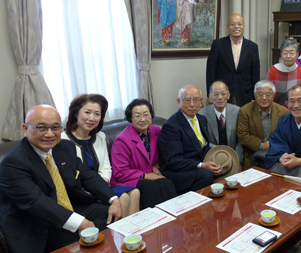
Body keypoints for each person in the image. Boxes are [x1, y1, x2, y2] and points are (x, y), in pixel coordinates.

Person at [0, 105, 122, 253]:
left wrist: (113, 199)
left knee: (108, 214)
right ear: (25, 129)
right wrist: (79, 223)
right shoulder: (12, 163)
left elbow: (87, 175)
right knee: (78, 238)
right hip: (35, 223)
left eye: (55, 127)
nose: (49, 134)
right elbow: (36, 202)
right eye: (41, 128)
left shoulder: (64, 147)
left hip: (69, 207)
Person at [61, 94, 140, 217]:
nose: (92, 118)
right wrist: (92, 190)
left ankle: (134, 232)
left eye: (97, 114)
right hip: (80, 192)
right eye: (87, 112)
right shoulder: (63, 140)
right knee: (123, 197)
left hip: (101, 185)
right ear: (76, 114)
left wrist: (102, 183)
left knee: (135, 192)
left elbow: (106, 167)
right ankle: (119, 235)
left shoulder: (100, 137)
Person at [110, 99, 178, 208]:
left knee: (167, 183)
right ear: (130, 119)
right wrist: (145, 175)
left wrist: (156, 164)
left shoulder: (156, 131)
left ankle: (176, 217)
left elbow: (163, 153)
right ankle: (155, 221)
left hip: (148, 174)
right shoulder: (122, 141)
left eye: (146, 114)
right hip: (127, 180)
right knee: (150, 186)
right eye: (137, 116)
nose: (143, 119)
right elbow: (120, 173)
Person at [159, 85, 220, 194]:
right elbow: (174, 160)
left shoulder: (202, 119)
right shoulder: (171, 126)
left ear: (201, 101)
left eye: (196, 100)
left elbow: (203, 146)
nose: (192, 104)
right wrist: (202, 165)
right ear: (179, 101)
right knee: (207, 174)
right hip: (178, 170)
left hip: (197, 164)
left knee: (224, 165)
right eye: (187, 100)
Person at [206, 13, 260, 106]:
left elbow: (255, 74)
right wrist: (210, 93)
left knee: (243, 119)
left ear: (244, 26)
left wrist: (254, 96)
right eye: (233, 24)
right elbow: (211, 71)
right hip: (222, 94)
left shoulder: (252, 47)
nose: (236, 27)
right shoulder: (218, 45)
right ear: (228, 27)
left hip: (245, 94)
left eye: (239, 24)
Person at [237, 80, 289, 170]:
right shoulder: (245, 110)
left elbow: (286, 136)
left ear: (273, 95)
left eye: (268, 94)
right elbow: (242, 135)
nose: (264, 98)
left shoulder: (283, 112)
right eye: (260, 94)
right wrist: (261, 145)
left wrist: (272, 144)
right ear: (255, 95)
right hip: (252, 156)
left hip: (277, 156)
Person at [198, 81, 244, 171]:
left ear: (228, 95)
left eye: (223, 94)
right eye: (216, 94)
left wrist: (238, 161)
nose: (220, 98)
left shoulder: (238, 111)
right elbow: (201, 140)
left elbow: (241, 140)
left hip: (233, 158)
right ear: (210, 96)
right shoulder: (201, 114)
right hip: (211, 160)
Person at [266, 39, 301, 106]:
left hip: (297, 109)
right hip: (276, 110)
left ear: (297, 54)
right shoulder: (273, 70)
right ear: (281, 54)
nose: (288, 56)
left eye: (292, 53)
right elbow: (267, 93)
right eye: (285, 53)